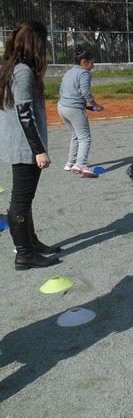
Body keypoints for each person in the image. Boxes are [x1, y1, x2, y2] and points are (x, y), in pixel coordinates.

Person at [0, 20, 61, 269]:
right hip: (25, 146)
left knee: (25, 199)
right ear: (35, 42)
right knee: (21, 200)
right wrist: (39, 150)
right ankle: (24, 253)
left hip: (20, 143)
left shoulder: (12, 67)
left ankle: (31, 242)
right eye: (43, 42)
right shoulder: (23, 71)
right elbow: (24, 114)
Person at [57, 45, 104, 178]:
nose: (93, 66)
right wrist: (96, 105)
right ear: (84, 62)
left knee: (75, 135)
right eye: (92, 63)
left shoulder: (69, 72)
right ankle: (81, 164)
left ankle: (70, 163)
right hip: (74, 109)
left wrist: (83, 106)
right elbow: (85, 92)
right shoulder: (84, 73)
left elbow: (63, 90)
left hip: (62, 107)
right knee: (85, 137)